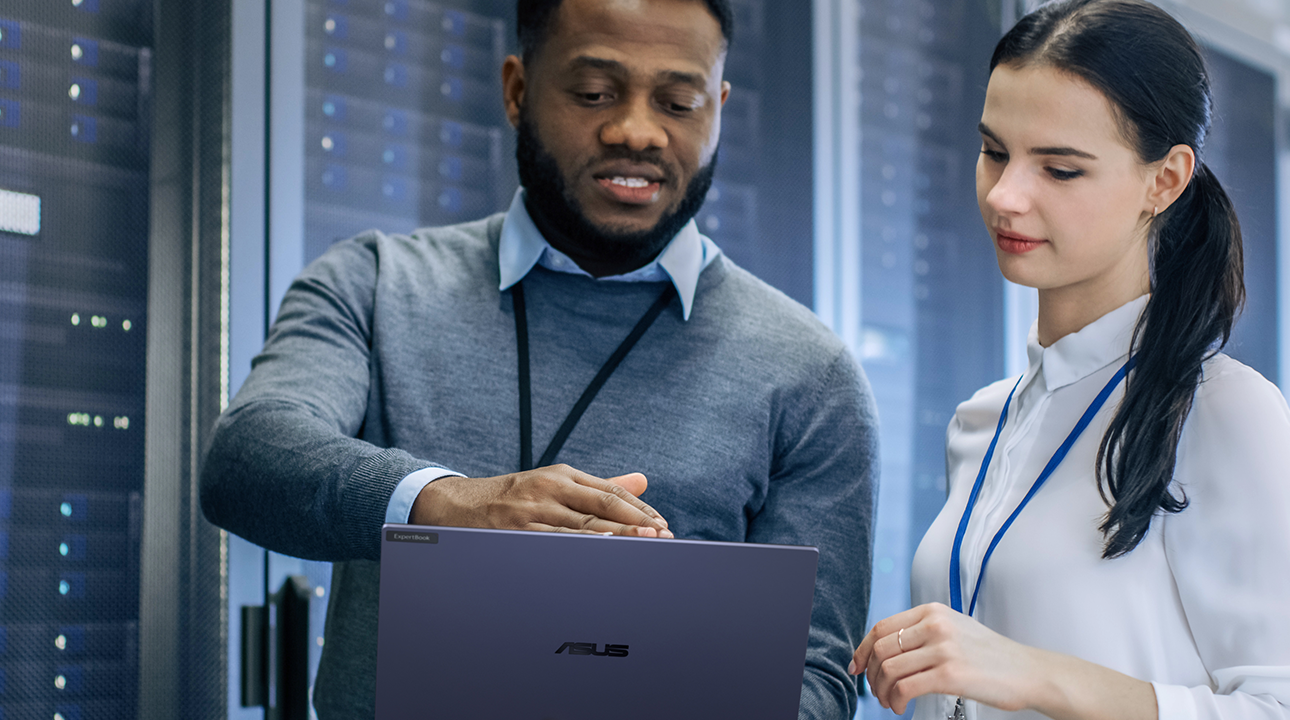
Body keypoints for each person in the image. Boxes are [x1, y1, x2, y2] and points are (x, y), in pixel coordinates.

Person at [200, 1, 878, 717]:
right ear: (518, 90)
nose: (637, 131)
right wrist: (450, 506)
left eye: (679, 102)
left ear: (719, 108)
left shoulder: (811, 374)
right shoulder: (373, 282)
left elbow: (812, 678)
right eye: (594, 93)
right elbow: (246, 458)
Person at [848, 1, 1290, 718]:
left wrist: (1032, 674)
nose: (1005, 195)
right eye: (995, 151)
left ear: (1166, 180)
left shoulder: (1220, 412)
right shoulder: (983, 419)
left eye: (1060, 170)